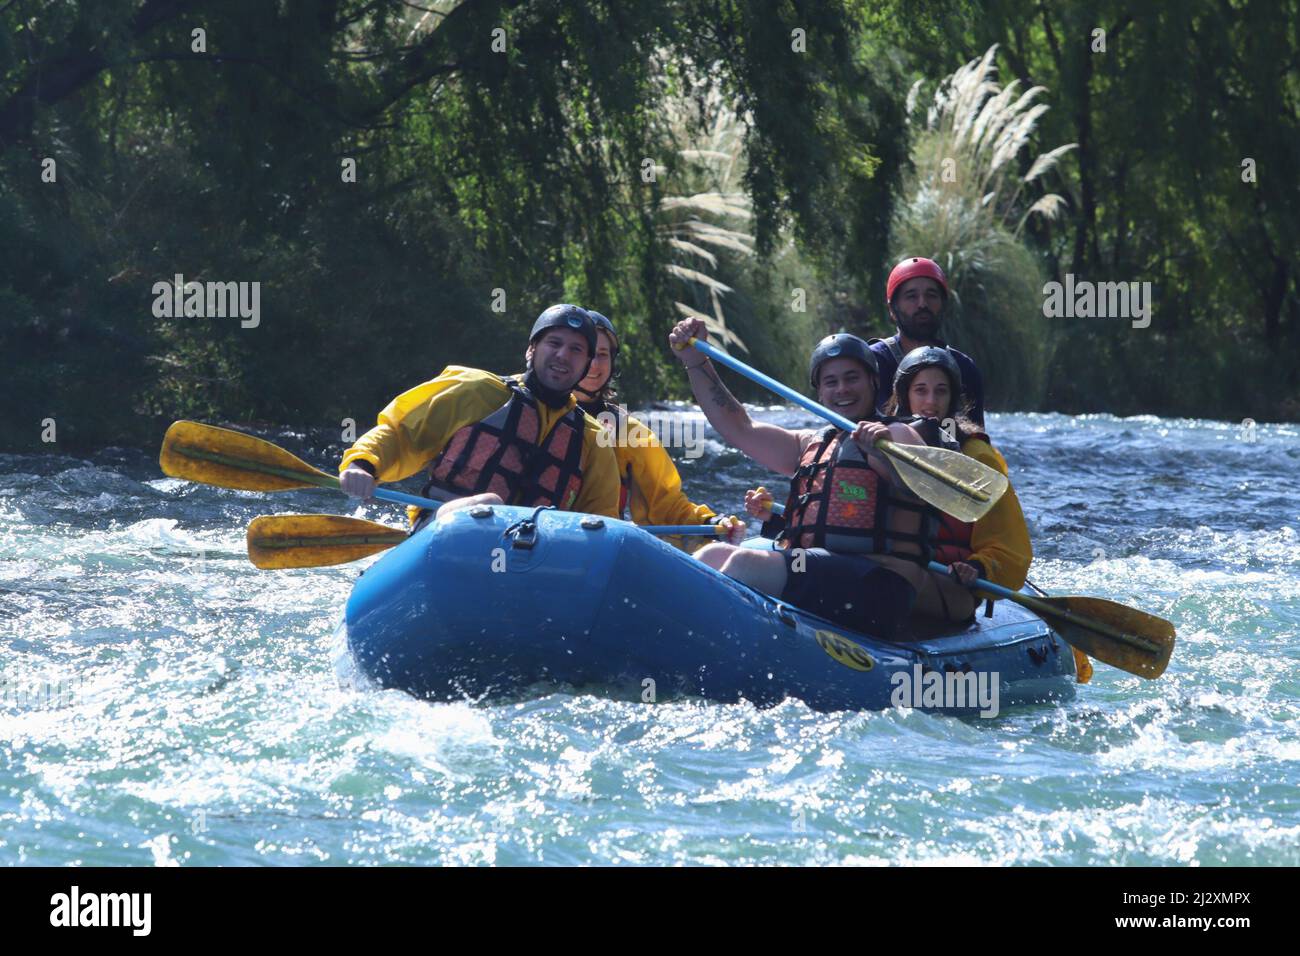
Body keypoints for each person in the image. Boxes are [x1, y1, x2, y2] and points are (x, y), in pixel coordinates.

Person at [668, 319, 932, 640]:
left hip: (878, 585)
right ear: (820, 392)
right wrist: (695, 361)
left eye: (852, 378)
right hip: (812, 570)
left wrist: (881, 451)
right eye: (830, 382)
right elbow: (739, 427)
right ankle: (673, 633)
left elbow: (918, 485)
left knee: (746, 565)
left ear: (874, 381)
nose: (842, 389)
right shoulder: (809, 444)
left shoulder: (898, 434)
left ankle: (696, 642)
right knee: (711, 555)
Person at [338, 304, 621, 525]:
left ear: (585, 366)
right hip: (443, 532)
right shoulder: (476, 391)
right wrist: (362, 464)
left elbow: (600, 522)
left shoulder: (593, 439)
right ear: (531, 350)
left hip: (532, 558)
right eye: (554, 343)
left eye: (576, 350)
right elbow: (401, 434)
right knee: (491, 504)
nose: (562, 355)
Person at [574, 310, 744, 547]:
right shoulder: (522, 403)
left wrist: (712, 523)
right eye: (584, 352)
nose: (593, 364)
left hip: (594, 545)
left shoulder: (629, 432)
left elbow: (666, 504)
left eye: (602, 354)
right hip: (526, 538)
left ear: (613, 362)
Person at [869, 257, 986, 425]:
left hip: (945, 448)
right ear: (893, 310)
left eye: (931, 296)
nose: (922, 304)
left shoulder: (965, 369)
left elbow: (974, 438)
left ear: (943, 306)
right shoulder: (873, 362)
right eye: (911, 296)